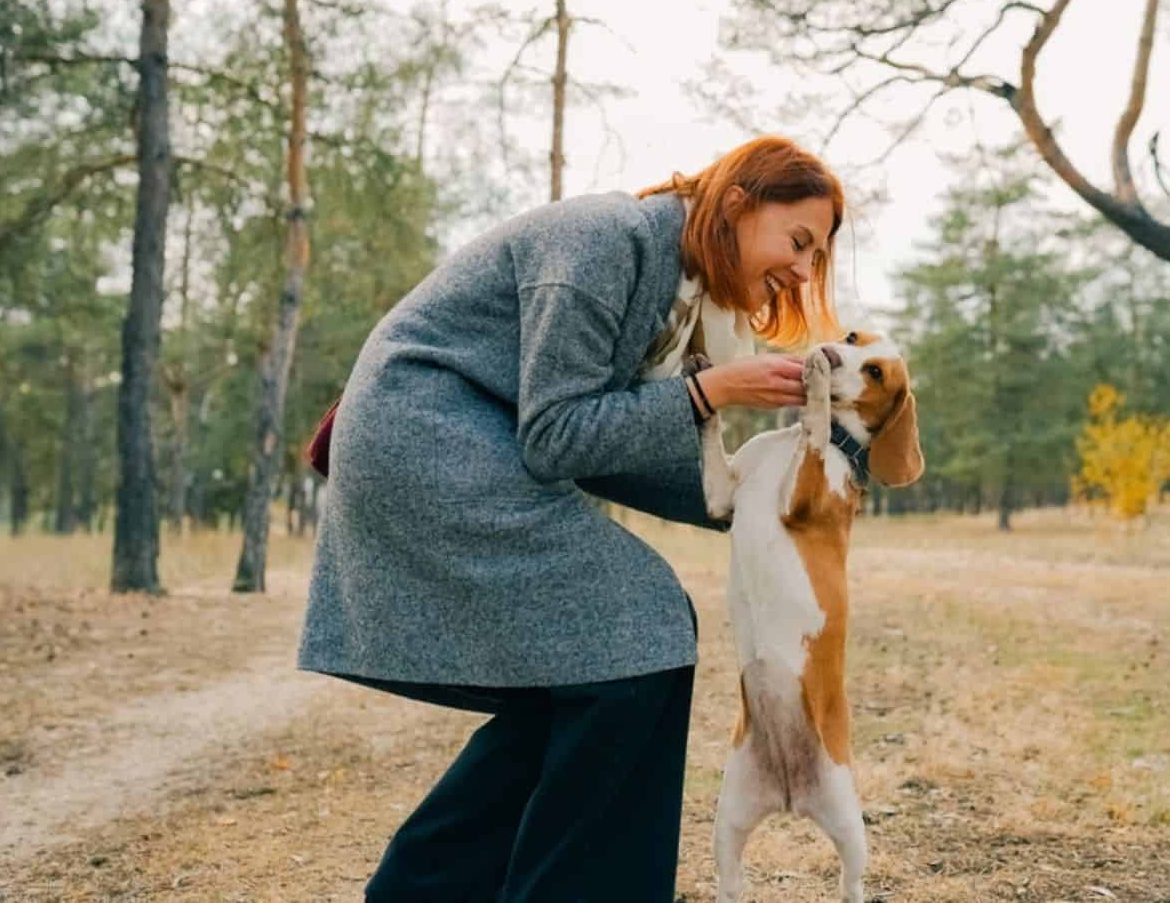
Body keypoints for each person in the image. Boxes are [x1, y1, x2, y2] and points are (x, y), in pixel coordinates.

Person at [296, 135, 846, 901]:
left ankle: (419, 891)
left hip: (473, 442)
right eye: (799, 241)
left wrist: (773, 501)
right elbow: (559, 437)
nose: (803, 270)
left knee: (578, 684)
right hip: (423, 435)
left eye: (816, 257)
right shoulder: (603, 243)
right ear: (737, 204)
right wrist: (711, 390)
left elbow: (605, 438)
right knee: (639, 628)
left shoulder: (673, 284)